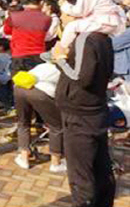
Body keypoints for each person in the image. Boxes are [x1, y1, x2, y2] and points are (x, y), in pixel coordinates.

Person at [54, 11, 116, 207]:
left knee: (82, 175)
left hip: (80, 113)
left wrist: (60, 60)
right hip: (93, 109)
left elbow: (81, 78)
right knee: (100, 168)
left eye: (65, 14)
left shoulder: (85, 39)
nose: (62, 18)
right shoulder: (102, 37)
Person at [3, 0, 52, 75]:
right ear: (42, 2)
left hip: (19, 54)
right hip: (38, 54)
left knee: (18, 83)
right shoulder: (47, 18)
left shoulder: (14, 16)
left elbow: (7, 31)